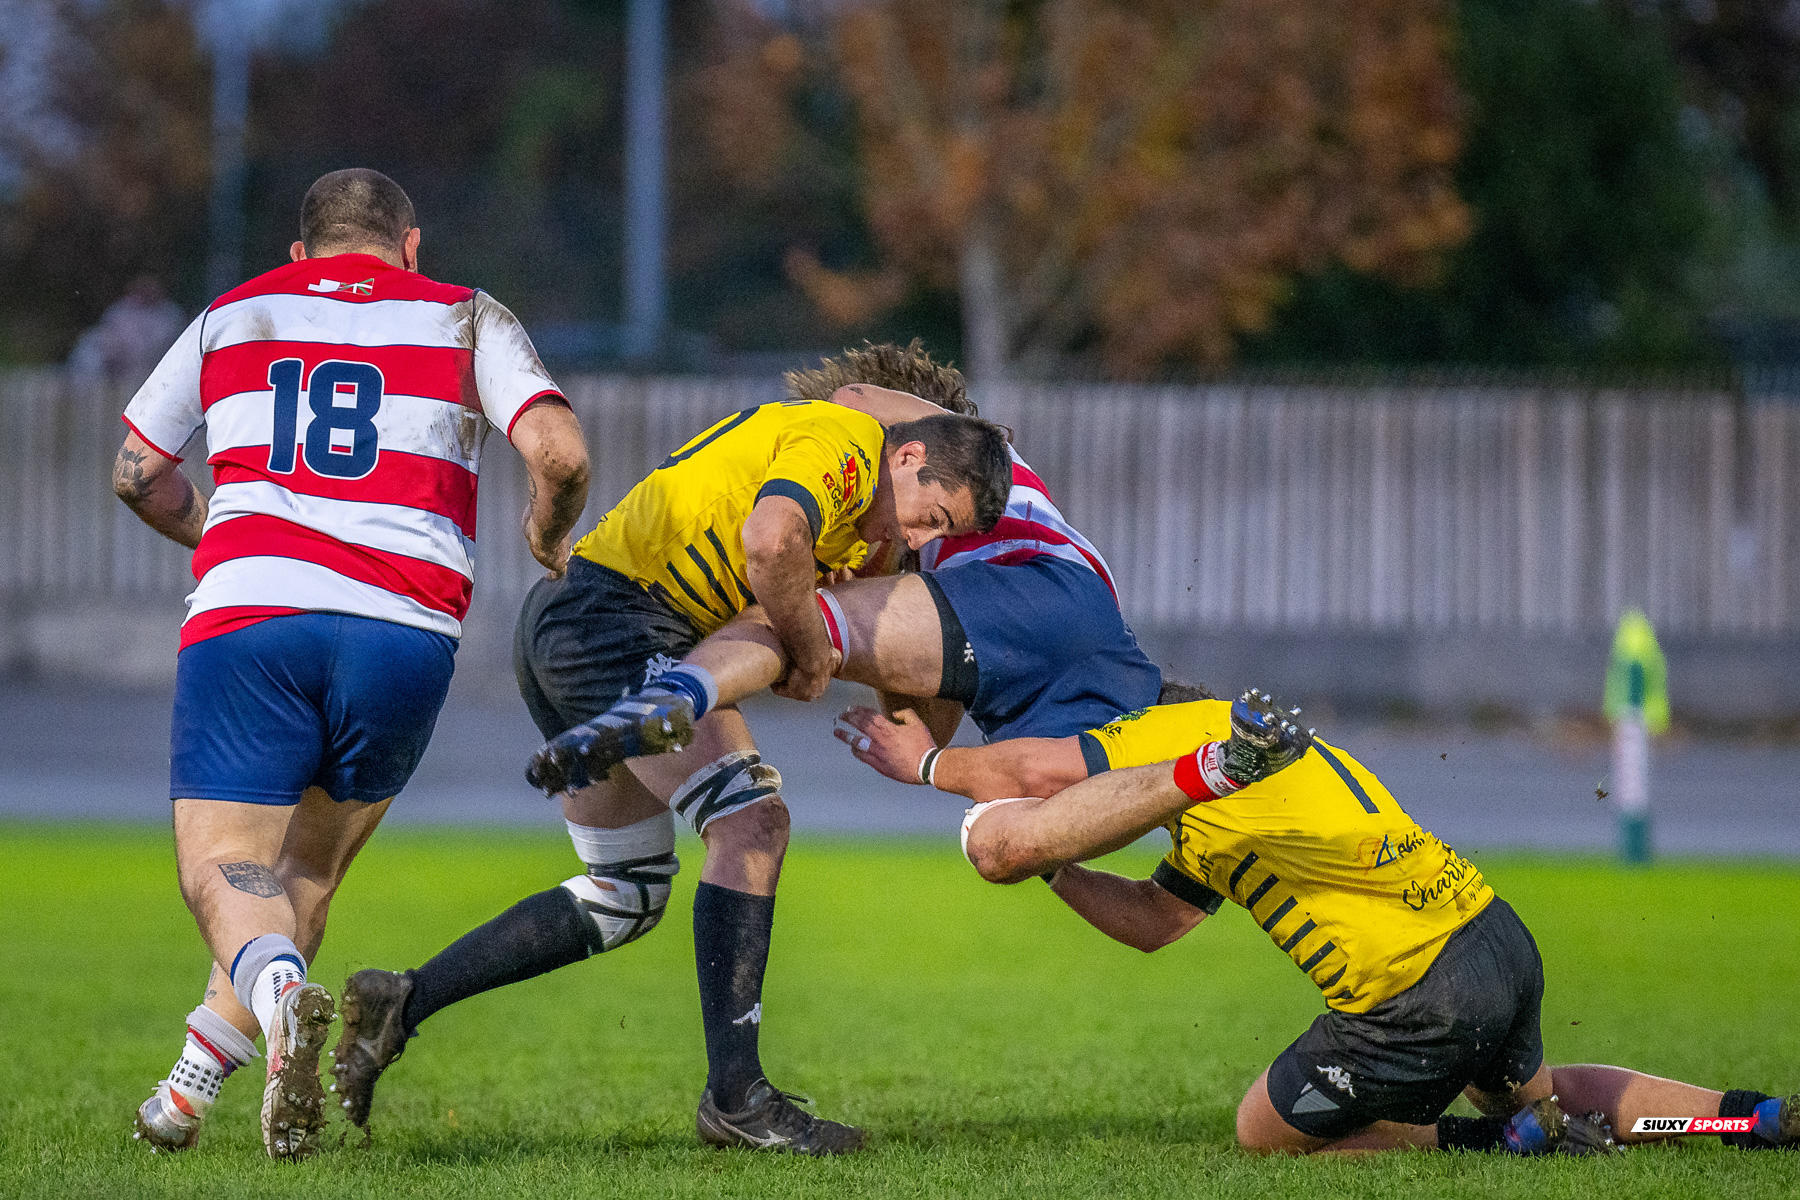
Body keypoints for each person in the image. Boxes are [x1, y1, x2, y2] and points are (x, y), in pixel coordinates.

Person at [330, 345, 1014, 1155]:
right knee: (754, 825)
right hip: (614, 623)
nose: (921, 536)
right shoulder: (839, 444)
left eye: (939, 534)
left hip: (573, 623)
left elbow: (905, 700)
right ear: (905, 444)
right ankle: (738, 1100)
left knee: (627, 892)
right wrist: (809, 649)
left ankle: (400, 1004)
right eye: (929, 515)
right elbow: (770, 543)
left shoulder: (865, 511)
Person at [113, 168, 590, 1161]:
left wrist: (219, 535)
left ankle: (279, 994)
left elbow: (139, 472)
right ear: (409, 246)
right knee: (306, 876)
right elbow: (561, 455)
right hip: (404, 635)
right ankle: (190, 1089)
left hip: (256, 619)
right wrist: (550, 536)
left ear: (301, 253)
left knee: (225, 870)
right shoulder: (466, 316)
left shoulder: (233, 314)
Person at [836, 690, 1800, 1156]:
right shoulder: (1223, 792)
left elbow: (1031, 778)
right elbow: (1153, 923)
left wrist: (929, 767)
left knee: (1262, 1129)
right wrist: (1058, 868)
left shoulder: (1176, 738)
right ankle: (1746, 1116)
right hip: (1494, 934)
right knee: (1536, 1097)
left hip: (1413, 996)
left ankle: (1491, 1149)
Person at [526, 364, 1163, 809]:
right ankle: (1212, 749)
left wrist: (816, 643)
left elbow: (854, 393)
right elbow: (923, 712)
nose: (915, 538)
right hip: (1087, 614)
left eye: (933, 525)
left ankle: (673, 697)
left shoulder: (955, 459)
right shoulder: (983, 488)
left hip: (1036, 587)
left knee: (798, 606)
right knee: (1068, 796)